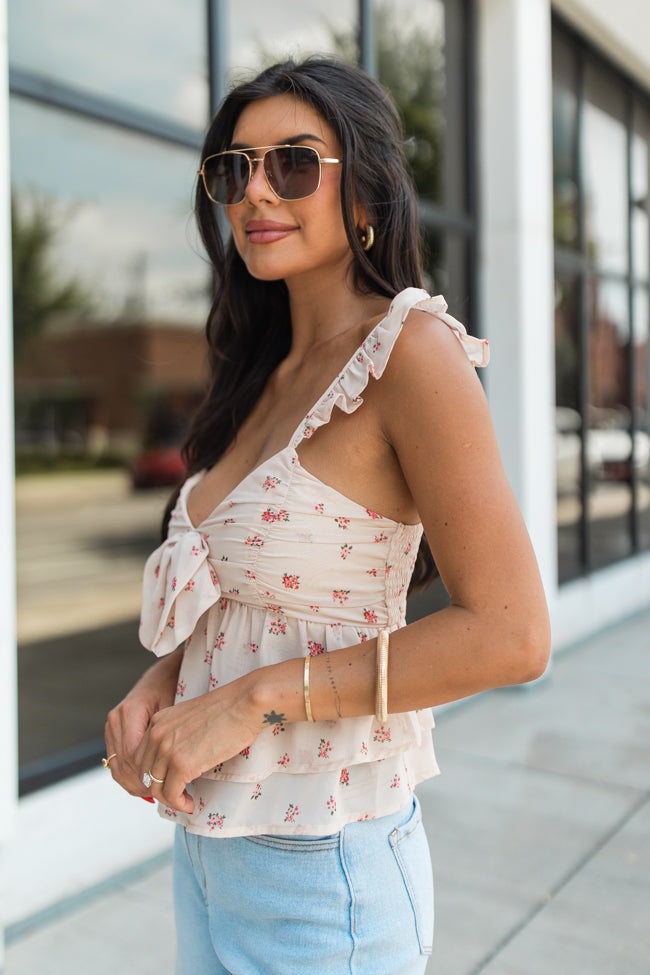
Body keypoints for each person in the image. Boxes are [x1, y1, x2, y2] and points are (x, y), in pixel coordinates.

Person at [104, 57, 550, 974]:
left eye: (293, 164)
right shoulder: (259, 371)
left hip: (324, 872)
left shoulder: (411, 352)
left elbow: (512, 635)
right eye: (235, 170)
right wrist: (166, 683)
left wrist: (253, 699)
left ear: (365, 190)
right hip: (208, 844)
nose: (257, 190)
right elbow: (246, 594)